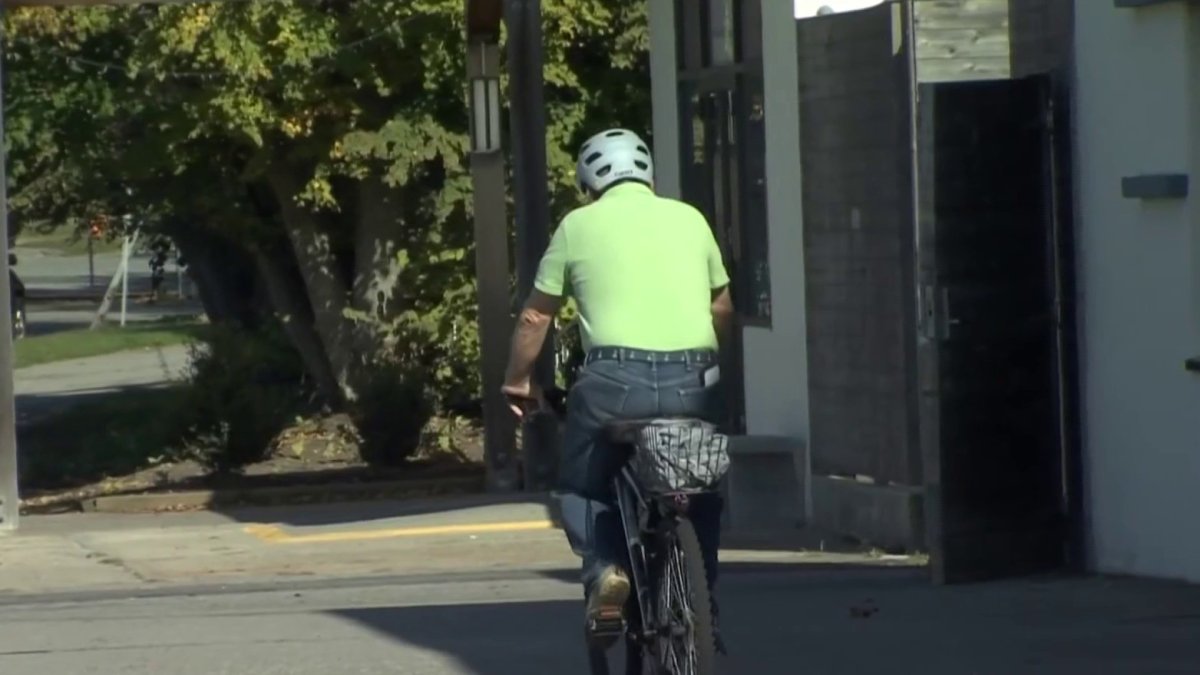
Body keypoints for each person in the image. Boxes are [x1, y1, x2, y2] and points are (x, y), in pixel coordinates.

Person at [500, 128, 735, 644]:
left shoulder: (576, 226)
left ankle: (606, 570)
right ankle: (703, 602)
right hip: (694, 378)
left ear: (588, 183)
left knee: (584, 484)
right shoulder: (690, 218)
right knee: (699, 485)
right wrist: (713, 367)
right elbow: (721, 306)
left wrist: (518, 382)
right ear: (648, 174)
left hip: (613, 380)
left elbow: (536, 316)